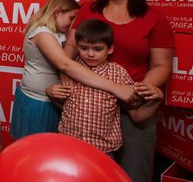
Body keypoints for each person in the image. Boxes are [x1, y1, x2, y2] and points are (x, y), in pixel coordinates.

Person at [64, 0, 174, 181]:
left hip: (132, 105)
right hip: (88, 103)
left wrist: (137, 92)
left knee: (133, 173)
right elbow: (70, 49)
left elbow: (162, 65)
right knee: (83, 171)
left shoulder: (155, 18)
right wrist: (64, 77)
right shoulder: (89, 9)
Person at [10, 0, 136, 140]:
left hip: (52, 101)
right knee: (33, 150)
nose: (71, 24)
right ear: (58, 12)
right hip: (38, 102)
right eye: (71, 18)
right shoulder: (42, 33)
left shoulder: (56, 33)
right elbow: (65, 64)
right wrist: (115, 87)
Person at [53, 19, 163, 157]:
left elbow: (136, 113)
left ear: (110, 49)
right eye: (84, 48)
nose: (90, 54)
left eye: (97, 49)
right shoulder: (72, 69)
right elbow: (61, 103)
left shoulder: (118, 73)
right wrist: (51, 93)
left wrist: (157, 98)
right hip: (69, 145)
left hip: (102, 151)